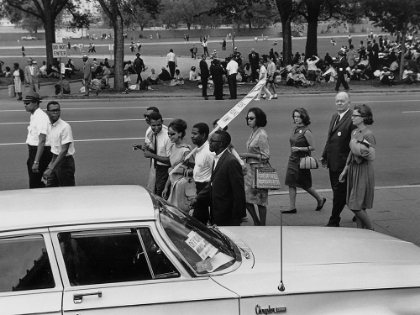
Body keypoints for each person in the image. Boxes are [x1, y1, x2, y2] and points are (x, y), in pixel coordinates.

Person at [192, 130, 246, 226]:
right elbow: (212, 183)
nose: (209, 143)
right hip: (216, 211)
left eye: (212, 141)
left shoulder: (231, 161)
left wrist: (239, 215)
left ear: (220, 144)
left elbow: (238, 190)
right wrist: (198, 198)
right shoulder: (216, 159)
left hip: (227, 214)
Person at [321, 92, 355, 227]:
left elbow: (353, 143)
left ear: (349, 102)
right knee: (339, 192)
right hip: (332, 161)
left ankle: (334, 220)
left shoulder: (352, 118)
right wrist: (325, 155)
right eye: (337, 101)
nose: (339, 103)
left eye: (342, 101)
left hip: (343, 163)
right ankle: (359, 211)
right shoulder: (334, 116)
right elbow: (330, 139)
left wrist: (348, 163)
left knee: (339, 193)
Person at [339, 104, 376, 230]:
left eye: (355, 115)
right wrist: (345, 170)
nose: (352, 117)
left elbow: (371, 156)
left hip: (363, 170)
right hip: (353, 169)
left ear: (364, 117)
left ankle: (370, 230)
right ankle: (360, 231)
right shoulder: (354, 132)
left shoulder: (368, 134)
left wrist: (356, 148)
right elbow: (351, 153)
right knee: (357, 203)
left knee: (355, 205)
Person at [283, 108, 326, 214]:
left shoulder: (307, 131)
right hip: (293, 159)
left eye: (298, 116)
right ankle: (292, 207)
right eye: (295, 116)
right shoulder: (295, 129)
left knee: (304, 183)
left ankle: (320, 198)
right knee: (291, 182)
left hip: (301, 161)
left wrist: (299, 149)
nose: (296, 118)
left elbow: (312, 147)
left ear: (303, 117)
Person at [239, 108, 270, 226]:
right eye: (247, 118)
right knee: (246, 198)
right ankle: (256, 222)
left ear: (258, 119)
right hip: (251, 170)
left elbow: (266, 156)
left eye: (251, 118)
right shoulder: (254, 132)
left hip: (260, 170)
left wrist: (248, 155)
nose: (249, 120)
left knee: (261, 200)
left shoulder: (261, 134)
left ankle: (262, 224)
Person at [42, 101, 76, 187]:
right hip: (55, 159)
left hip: (65, 162)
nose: (56, 112)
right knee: (50, 188)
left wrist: (51, 168)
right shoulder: (50, 125)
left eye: (58, 110)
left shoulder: (65, 127)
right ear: (47, 112)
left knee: (67, 190)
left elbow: (64, 151)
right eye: (53, 110)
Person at [23, 91, 52, 189]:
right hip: (33, 151)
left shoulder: (40, 117)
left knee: (35, 184)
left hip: (40, 152)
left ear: (35, 103)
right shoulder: (34, 115)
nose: (25, 105)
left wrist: (36, 162)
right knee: (34, 181)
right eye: (24, 103)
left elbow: (42, 141)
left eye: (27, 103)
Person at [162, 119, 193, 208]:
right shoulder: (172, 147)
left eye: (172, 134)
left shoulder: (186, 151)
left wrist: (177, 171)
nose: (170, 136)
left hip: (182, 187)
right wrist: (166, 187)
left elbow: (192, 171)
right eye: (168, 134)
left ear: (180, 133)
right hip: (173, 184)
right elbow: (172, 169)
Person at [142, 112, 171, 196]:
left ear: (162, 122)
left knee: (160, 194)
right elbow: (157, 150)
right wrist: (147, 149)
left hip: (164, 169)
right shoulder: (153, 133)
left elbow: (170, 160)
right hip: (156, 168)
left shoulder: (167, 137)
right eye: (153, 126)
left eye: (159, 125)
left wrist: (151, 155)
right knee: (155, 191)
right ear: (150, 124)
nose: (156, 128)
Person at [191, 123, 215, 225]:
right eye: (192, 133)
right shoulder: (198, 149)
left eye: (195, 134)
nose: (192, 136)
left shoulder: (209, 152)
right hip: (198, 187)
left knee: (198, 220)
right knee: (202, 217)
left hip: (205, 188)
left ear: (203, 135)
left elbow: (215, 172)